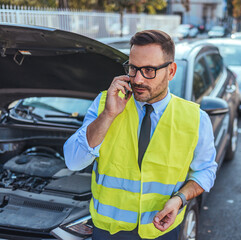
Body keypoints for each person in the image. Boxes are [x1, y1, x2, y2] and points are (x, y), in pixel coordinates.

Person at [63, 30, 217, 240]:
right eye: (133, 68)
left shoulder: (196, 119)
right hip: (108, 232)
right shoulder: (104, 104)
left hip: (162, 231)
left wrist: (180, 199)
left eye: (149, 70)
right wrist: (109, 115)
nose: (137, 79)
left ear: (171, 71)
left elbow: (205, 171)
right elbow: (73, 161)